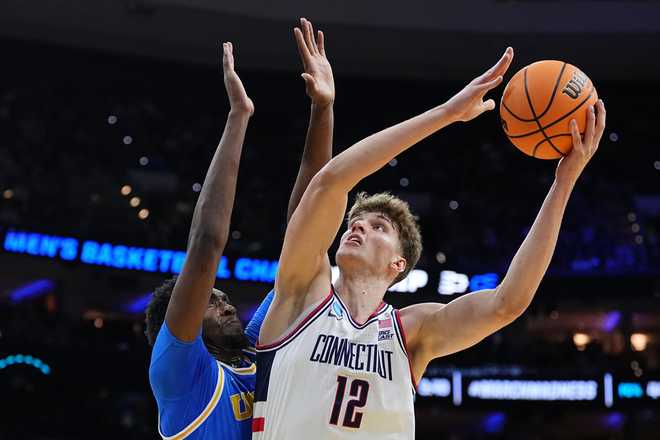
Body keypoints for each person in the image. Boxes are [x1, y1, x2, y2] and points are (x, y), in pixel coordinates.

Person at [254, 47, 607, 439]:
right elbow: (330, 182)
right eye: (355, 223)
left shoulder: (412, 332)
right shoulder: (302, 293)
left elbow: (509, 303)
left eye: (378, 227)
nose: (359, 229)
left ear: (398, 265)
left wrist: (564, 182)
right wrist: (446, 114)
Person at [145, 18, 335, 439]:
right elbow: (207, 245)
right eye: (212, 302)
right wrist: (238, 117)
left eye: (224, 298)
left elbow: (306, 234)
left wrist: (322, 110)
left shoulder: (255, 349)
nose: (227, 305)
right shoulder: (179, 375)